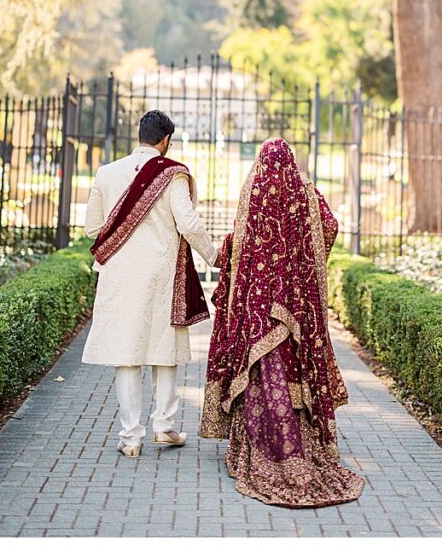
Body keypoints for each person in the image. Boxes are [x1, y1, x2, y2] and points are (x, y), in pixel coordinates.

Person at [200, 138, 365, 507]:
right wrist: (303, 259)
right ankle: (298, 440)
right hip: (293, 302)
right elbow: (331, 225)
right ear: (291, 161)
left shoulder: (253, 190)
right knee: (292, 366)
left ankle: (255, 443)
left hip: (257, 302)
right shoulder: (304, 191)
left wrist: (227, 253)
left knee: (257, 370)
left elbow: (239, 243)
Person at [83, 110, 220, 457]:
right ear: (165, 141)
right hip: (162, 275)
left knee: (127, 355)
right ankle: (164, 427)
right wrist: (215, 257)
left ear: (139, 135)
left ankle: (130, 437)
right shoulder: (172, 175)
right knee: (164, 351)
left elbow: (92, 230)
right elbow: (187, 223)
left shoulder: (106, 173)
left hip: (119, 275)